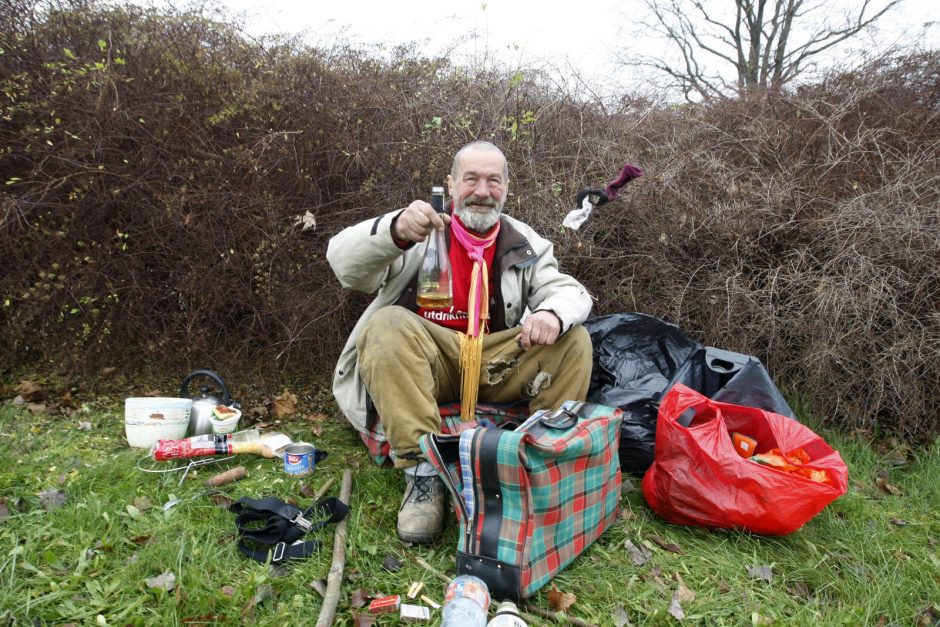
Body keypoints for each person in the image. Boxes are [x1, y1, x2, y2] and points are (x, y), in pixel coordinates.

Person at [327, 141, 593, 544]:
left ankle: (540, 468)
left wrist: (550, 314)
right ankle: (423, 474)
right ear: (451, 185)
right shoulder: (419, 229)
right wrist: (395, 230)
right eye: (471, 179)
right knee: (385, 326)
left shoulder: (525, 241)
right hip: (429, 361)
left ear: (507, 188)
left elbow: (571, 292)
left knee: (576, 341)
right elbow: (342, 264)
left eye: (493, 181)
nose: (482, 191)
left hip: (494, 362)